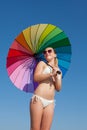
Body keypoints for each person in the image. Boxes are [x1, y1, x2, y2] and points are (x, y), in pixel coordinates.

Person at [30, 47, 62, 130]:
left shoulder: (58, 70)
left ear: (55, 54)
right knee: (35, 128)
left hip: (50, 102)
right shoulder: (42, 63)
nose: (47, 53)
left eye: (49, 51)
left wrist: (58, 76)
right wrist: (51, 74)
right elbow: (36, 78)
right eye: (44, 52)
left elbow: (58, 88)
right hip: (38, 99)